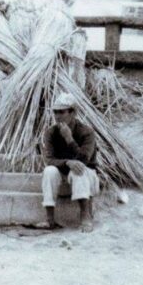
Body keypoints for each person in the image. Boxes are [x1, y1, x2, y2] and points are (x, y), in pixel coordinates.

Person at [41, 92, 100, 232]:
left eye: (62, 112)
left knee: (79, 169)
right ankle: (49, 218)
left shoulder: (86, 132)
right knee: (49, 171)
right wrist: (67, 162)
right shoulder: (51, 132)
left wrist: (69, 139)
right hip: (63, 172)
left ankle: (85, 216)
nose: (57, 116)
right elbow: (49, 159)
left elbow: (84, 159)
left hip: (87, 174)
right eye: (55, 112)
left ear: (73, 113)